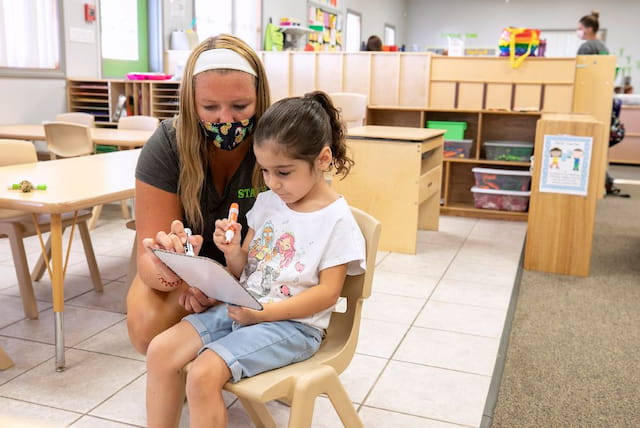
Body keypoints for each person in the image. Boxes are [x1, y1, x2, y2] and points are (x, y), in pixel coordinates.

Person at [144, 91, 366, 427]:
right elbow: (245, 267)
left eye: (284, 172)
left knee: (203, 373)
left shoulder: (337, 221)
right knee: (160, 350)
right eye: (264, 171)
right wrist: (233, 252)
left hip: (294, 326)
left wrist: (263, 315)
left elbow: (327, 294)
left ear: (322, 159)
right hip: (245, 307)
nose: (273, 183)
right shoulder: (267, 203)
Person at [127, 34, 272, 355]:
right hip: (188, 274)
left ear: (260, 98)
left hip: (255, 271)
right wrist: (168, 268)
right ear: (191, 104)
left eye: (240, 106)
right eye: (209, 107)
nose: (226, 120)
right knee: (147, 328)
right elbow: (147, 262)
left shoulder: (278, 141)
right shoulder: (168, 145)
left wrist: (226, 286)